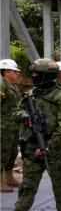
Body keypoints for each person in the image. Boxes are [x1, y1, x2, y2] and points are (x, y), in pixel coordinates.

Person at [1, 59, 61, 211]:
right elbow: (15, 113)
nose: (34, 77)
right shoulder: (30, 95)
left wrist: (48, 147)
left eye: (37, 74)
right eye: (33, 73)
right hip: (33, 147)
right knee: (27, 187)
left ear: (48, 76)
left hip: (55, 149)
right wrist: (25, 116)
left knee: (59, 185)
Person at [0, 59, 22, 193]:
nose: (17, 73)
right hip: (3, 127)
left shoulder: (13, 86)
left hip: (13, 126)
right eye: (15, 71)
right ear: (6, 72)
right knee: (2, 154)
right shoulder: (2, 86)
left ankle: (9, 178)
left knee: (12, 152)